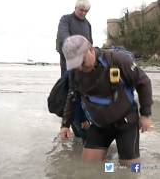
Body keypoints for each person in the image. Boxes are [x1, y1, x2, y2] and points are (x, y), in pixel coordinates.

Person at [59, 35, 153, 166]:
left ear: (91, 50)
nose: (79, 68)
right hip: (99, 125)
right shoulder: (75, 73)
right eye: (75, 65)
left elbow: (144, 82)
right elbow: (73, 96)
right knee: (87, 167)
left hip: (126, 122)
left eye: (82, 62)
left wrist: (145, 114)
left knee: (130, 170)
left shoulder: (117, 60)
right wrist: (65, 125)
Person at [56, 0, 93, 77]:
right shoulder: (65, 19)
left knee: (81, 83)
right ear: (75, 7)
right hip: (67, 57)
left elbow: (90, 42)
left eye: (86, 11)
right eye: (81, 10)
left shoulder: (88, 24)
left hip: (83, 59)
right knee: (66, 80)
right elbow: (63, 35)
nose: (83, 13)